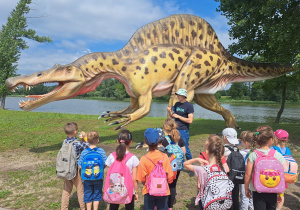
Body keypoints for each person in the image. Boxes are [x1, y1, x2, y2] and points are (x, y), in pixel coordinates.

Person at [244, 126, 286, 210]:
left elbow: (248, 174)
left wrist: (246, 188)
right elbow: (282, 175)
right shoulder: (277, 154)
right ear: (271, 140)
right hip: (273, 189)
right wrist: (281, 193)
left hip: (257, 190)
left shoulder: (253, 154)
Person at [183, 134, 226, 210]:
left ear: (207, 153)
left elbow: (185, 164)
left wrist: (196, 159)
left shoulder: (202, 169)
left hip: (206, 199)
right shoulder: (223, 168)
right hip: (218, 198)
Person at [136, 128, 174, 210]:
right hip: (163, 191)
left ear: (145, 142)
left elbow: (141, 178)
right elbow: (170, 176)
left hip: (149, 191)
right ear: (159, 140)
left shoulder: (144, 159)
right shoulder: (165, 157)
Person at [105, 129, 139, 210]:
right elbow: (134, 179)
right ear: (131, 142)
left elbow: (109, 170)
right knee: (129, 207)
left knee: (113, 206)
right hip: (128, 189)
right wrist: (136, 192)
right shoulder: (133, 158)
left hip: (114, 187)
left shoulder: (112, 156)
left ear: (118, 141)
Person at [61, 122, 89, 210]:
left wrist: (81, 141)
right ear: (75, 132)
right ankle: (83, 207)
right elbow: (88, 146)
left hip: (66, 168)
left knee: (66, 191)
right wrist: (85, 137)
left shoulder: (64, 142)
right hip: (75, 170)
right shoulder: (77, 143)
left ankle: (64, 208)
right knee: (80, 190)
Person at [167, 88, 194, 176]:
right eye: (177, 94)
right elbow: (173, 115)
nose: (177, 96)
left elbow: (190, 120)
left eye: (179, 95)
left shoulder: (189, 106)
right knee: (175, 147)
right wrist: (169, 111)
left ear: (183, 96)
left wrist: (178, 116)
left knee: (185, 148)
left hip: (183, 130)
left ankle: (191, 167)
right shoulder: (177, 104)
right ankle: (178, 164)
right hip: (175, 129)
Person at [78, 131, 107, 210]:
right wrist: (101, 168)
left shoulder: (84, 152)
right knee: (97, 195)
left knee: (88, 195)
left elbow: (80, 165)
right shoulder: (101, 151)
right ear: (98, 140)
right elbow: (106, 162)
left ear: (87, 141)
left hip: (87, 178)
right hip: (98, 177)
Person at [161, 118, 186, 210]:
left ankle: (163, 203)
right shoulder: (179, 138)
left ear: (164, 128)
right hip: (177, 166)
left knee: (165, 184)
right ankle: (170, 206)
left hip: (167, 166)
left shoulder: (164, 140)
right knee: (173, 185)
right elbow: (184, 151)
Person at [222, 127, 242, 210]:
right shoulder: (237, 150)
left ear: (224, 137)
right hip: (236, 176)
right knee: (235, 195)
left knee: (226, 195)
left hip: (226, 176)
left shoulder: (224, 149)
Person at [271, 129, 290, 210]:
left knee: (272, 194)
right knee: (281, 194)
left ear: (275, 138)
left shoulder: (273, 148)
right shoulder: (287, 150)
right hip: (284, 176)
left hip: (274, 175)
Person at [239, 131, 254, 210]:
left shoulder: (241, 153)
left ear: (246, 142)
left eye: (241, 140)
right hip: (253, 176)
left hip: (244, 177)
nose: (240, 141)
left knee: (244, 196)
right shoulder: (255, 152)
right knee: (252, 196)